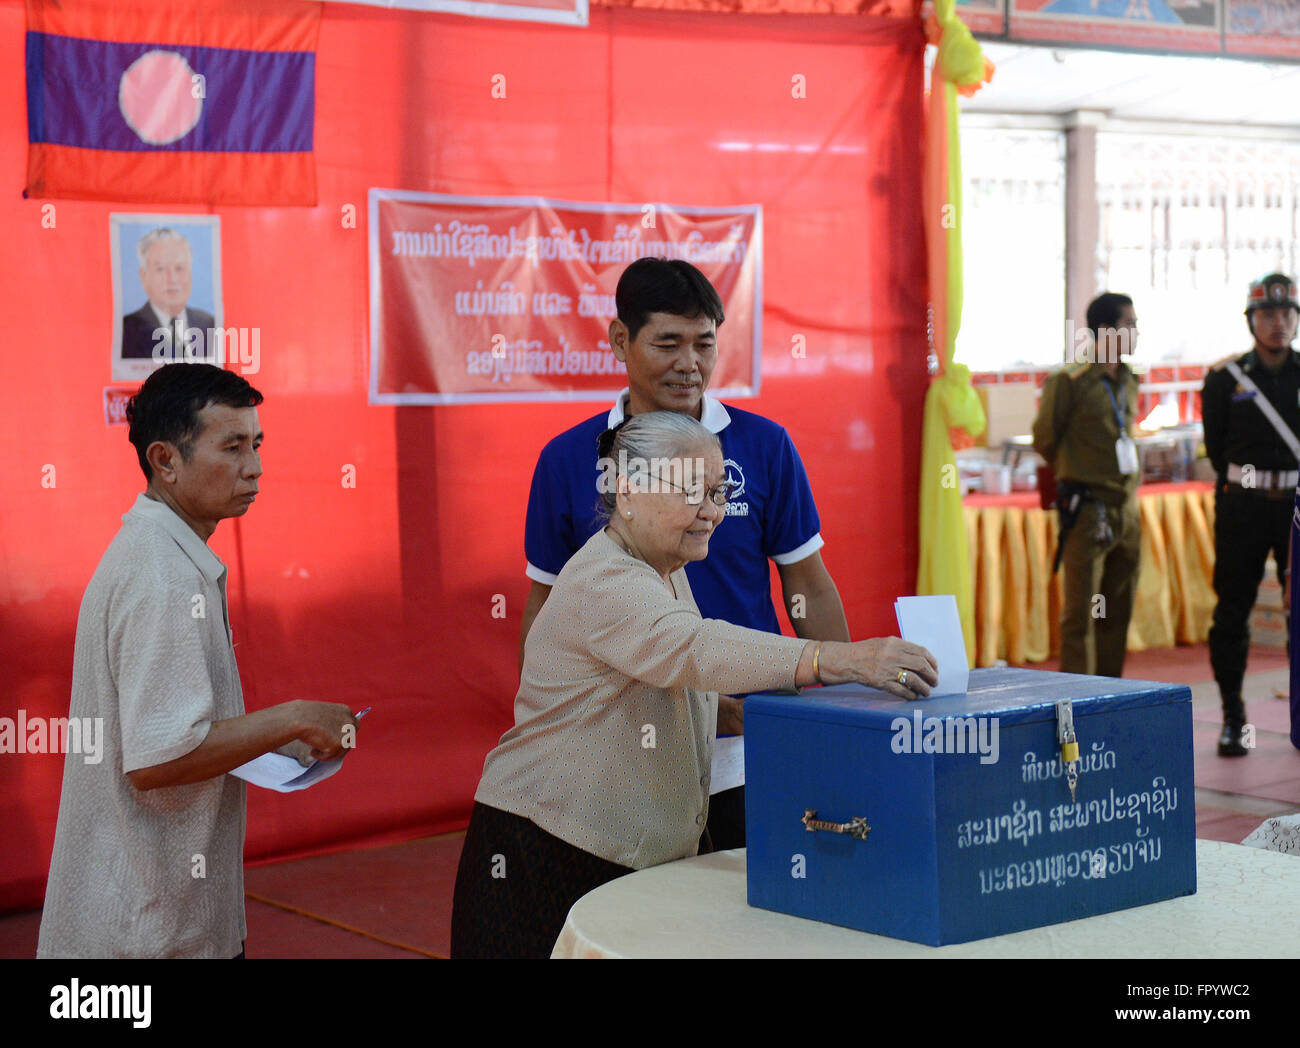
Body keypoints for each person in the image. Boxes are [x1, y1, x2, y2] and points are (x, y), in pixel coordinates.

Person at [451, 411, 938, 958]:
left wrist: (766, 718)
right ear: (629, 489)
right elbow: (692, 649)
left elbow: (673, 684)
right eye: (692, 493)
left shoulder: (663, 564)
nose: (712, 512)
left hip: (615, 852)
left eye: (718, 491)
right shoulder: (605, 577)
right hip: (542, 850)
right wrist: (840, 660)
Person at [518, 257, 850, 850]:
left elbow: (808, 584)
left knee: (753, 918)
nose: (689, 364)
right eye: (667, 343)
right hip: (625, 750)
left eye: (704, 344)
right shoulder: (568, 458)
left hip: (750, 745)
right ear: (620, 340)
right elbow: (545, 605)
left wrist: (847, 704)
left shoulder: (764, 445)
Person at [37, 363, 358, 958]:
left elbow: (172, 737)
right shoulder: (160, 573)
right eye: (232, 446)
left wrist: (272, 743)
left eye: (256, 444)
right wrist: (290, 719)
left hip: (155, 923)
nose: (255, 466)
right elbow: (159, 758)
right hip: (149, 937)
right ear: (165, 461)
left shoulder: (163, 553)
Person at [1201, 273, 1300, 757]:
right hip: (1242, 506)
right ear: (1251, 321)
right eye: (1268, 314)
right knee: (1232, 612)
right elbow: (1218, 451)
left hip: (1298, 510)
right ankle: (1233, 718)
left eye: (1287, 314)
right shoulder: (1225, 379)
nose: (1278, 323)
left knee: (1299, 611)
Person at [1032, 292, 1142, 677]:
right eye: (1130, 324)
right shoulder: (1069, 381)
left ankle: (1111, 694)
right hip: (1088, 511)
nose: (1136, 332)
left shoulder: (1130, 379)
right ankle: (1080, 702)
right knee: (1081, 614)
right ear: (1107, 331)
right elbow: (1044, 439)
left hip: (1126, 509)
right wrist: (1076, 469)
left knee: (1117, 610)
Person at [121, 227, 217, 360]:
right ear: (143, 276)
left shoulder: (209, 324)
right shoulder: (126, 330)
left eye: (179, 268)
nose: (172, 279)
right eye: (160, 269)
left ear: (190, 272)